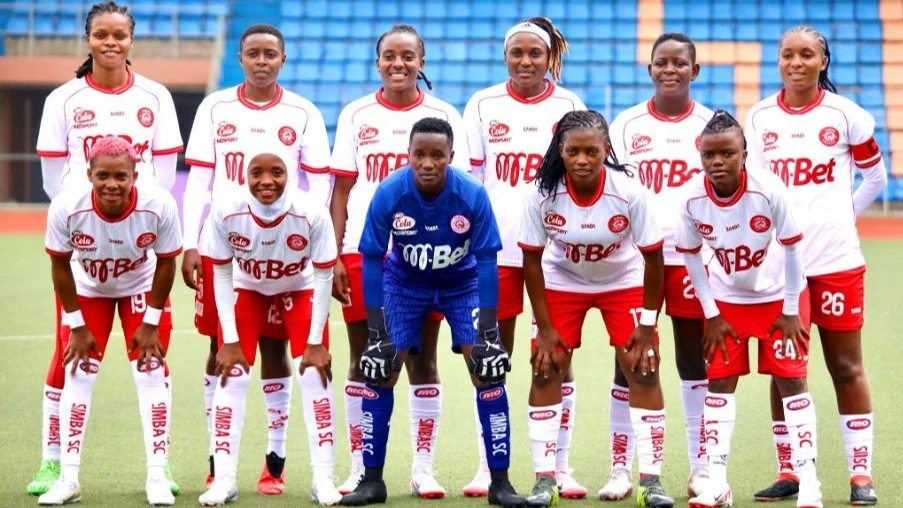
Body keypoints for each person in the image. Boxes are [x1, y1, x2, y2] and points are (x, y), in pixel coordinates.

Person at [31, 0, 183, 497]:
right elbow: (57, 181)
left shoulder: (156, 97)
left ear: (131, 40)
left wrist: (137, 214)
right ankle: (55, 466)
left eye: (120, 35)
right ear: (89, 39)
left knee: (151, 358)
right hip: (86, 248)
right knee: (69, 355)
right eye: (102, 34)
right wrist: (93, 221)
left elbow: (162, 172)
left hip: (141, 240)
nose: (111, 43)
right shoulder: (63, 100)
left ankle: (159, 472)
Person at [339, 117, 525, 507]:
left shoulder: (471, 193)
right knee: (380, 366)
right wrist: (376, 330)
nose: (427, 163)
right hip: (405, 285)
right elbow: (372, 259)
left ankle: (501, 483)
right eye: (419, 154)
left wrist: (489, 330)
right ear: (408, 155)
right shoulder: (390, 192)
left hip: (463, 284)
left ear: (451, 157)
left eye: (437, 155)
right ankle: (372, 481)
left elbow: (488, 260)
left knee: (488, 368)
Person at [182, 23, 332, 495]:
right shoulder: (215, 106)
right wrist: (191, 241)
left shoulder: (302, 111)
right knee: (221, 348)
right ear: (241, 58)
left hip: (288, 249)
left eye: (271, 53)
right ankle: (217, 463)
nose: (262, 60)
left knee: (276, 352)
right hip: (227, 245)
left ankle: (276, 459)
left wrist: (310, 229)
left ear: (282, 59)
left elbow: (320, 181)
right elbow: (200, 178)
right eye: (253, 53)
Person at [744, 25, 887, 506]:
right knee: (784, 370)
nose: (796, 63)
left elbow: (874, 176)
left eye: (807, 55)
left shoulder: (846, 114)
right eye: (788, 55)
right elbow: (757, 190)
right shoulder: (760, 116)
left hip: (836, 261)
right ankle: (790, 472)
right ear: (779, 61)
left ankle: (861, 476)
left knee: (846, 366)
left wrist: (842, 215)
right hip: (782, 267)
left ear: (823, 61)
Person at [329, 23, 470, 498]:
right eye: (390, 55)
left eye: (408, 56)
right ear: (377, 61)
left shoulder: (444, 115)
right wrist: (334, 255)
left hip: (427, 253)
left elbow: (461, 191)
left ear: (421, 62)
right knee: (364, 360)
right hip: (364, 253)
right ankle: (359, 467)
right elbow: (342, 190)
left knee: (423, 362)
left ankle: (423, 468)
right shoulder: (355, 114)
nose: (398, 64)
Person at [518, 110, 673, 508]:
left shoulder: (628, 191)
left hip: (622, 280)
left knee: (643, 365)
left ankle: (650, 482)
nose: (583, 159)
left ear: (607, 150)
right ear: (561, 151)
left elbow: (654, 260)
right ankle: (545, 480)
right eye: (573, 151)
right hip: (562, 279)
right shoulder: (541, 193)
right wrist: (545, 327)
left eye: (591, 151)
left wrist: (647, 323)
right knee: (546, 365)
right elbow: (532, 262)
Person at [462, 16, 587, 498]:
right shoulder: (482, 104)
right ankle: (485, 464)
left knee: (554, 359)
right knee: (491, 357)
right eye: (517, 52)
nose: (525, 61)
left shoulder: (569, 105)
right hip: (494, 253)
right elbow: (470, 181)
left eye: (535, 52)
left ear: (549, 55)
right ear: (505, 56)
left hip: (554, 256)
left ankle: (560, 466)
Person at [677, 111, 824, 508]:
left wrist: (792, 309)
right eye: (709, 155)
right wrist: (712, 314)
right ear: (700, 155)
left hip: (781, 297)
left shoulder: (768, 189)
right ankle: (718, 483)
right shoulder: (690, 197)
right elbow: (691, 257)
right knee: (719, 384)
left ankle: (809, 481)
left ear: (744, 153)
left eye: (727, 153)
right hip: (728, 302)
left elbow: (793, 249)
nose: (717, 162)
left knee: (792, 381)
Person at [37, 136, 182, 506]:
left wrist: (150, 322)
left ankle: (157, 474)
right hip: (87, 287)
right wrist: (77, 324)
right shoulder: (66, 206)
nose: (112, 184)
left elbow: (167, 262)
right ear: (89, 174)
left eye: (121, 176)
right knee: (78, 371)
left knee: (151, 370)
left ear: (135, 175)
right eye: (103, 176)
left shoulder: (159, 204)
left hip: (141, 284)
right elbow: (58, 265)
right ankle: (68, 477)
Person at [197, 152, 341, 506]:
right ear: (245, 175)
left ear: (288, 174)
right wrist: (228, 340)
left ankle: (323, 478)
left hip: (299, 285)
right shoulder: (226, 208)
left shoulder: (310, 211)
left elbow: (323, 276)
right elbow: (221, 271)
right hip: (247, 287)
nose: (266, 181)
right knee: (233, 371)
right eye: (256, 173)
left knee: (313, 373)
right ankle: (225, 479)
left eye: (276, 172)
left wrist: (314, 342)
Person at [605, 32, 714, 500]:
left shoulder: (712, 125)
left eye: (679, 63)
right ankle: (619, 470)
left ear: (695, 70)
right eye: (661, 63)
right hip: (635, 261)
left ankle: (701, 466)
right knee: (627, 362)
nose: (670, 70)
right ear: (649, 70)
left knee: (694, 361)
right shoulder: (626, 126)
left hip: (694, 260)